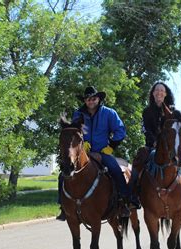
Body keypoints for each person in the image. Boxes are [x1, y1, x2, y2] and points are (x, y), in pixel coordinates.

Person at [56, 86, 135, 221]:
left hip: (103, 151)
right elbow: (76, 132)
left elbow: (120, 131)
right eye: (88, 99)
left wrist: (110, 146)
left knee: (116, 170)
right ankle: (63, 207)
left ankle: (124, 202)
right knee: (62, 175)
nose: (91, 101)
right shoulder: (78, 114)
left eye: (93, 98)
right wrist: (83, 144)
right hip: (83, 153)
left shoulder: (109, 113)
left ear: (98, 99)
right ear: (85, 101)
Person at [129, 81, 181, 209]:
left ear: (165, 94)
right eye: (156, 90)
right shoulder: (147, 111)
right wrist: (154, 141)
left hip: (172, 148)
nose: (159, 92)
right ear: (153, 93)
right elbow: (145, 130)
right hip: (152, 146)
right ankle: (133, 197)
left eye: (162, 90)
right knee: (137, 166)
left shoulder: (174, 111)